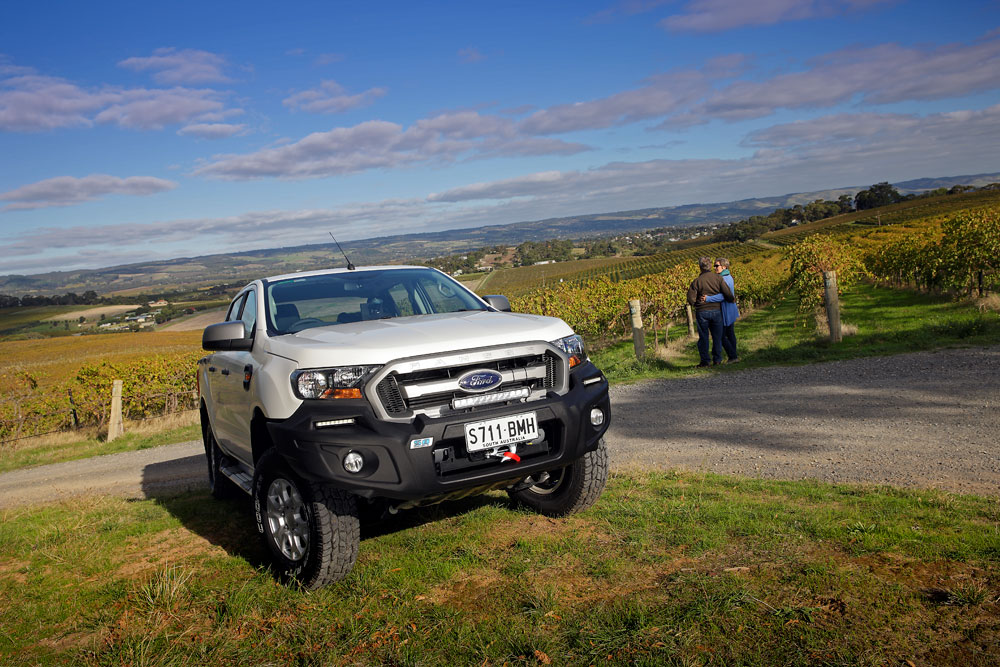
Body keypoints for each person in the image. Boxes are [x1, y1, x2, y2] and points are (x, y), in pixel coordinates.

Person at [686, 257, 734, 367]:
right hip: (717, 311)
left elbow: (690, 298)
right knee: (717, 337)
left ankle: (705, 361)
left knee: (703, 337)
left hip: (702, 312)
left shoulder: (697, 281)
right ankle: (717, 359)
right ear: (710, 266)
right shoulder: (718, 278)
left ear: (700, 267)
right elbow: (728, 294)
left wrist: (697, 304)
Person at [703, 257, 740, 363]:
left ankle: (732, 356)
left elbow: (723, 296)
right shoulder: (727, 277)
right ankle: (733, 356)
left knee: (721, 335)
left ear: (724, 267)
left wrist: (708, 298)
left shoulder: (725, 279)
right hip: (729, 310)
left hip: (726, 310)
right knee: (730, 333)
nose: (715, 268)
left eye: (717, 265)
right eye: (714, 265)